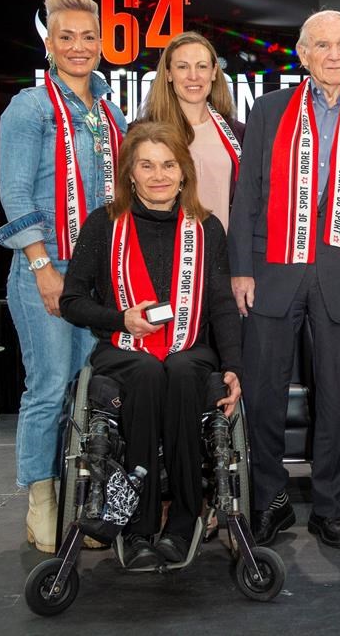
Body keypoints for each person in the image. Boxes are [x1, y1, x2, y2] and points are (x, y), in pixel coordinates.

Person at [227, 10, 340, 550]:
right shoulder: (269, 109)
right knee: (263, 395)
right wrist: (239, 267)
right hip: (272, 271)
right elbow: (246, 195)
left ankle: (330, 507)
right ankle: (271, 501)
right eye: (321, 45)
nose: (332, 54)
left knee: (337, 400)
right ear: (302, 54)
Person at [60, 121, 242, 569]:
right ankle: (138, 529)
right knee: (144, 372)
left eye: (168, 165)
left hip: (189, 349)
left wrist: (235, 367)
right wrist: (120, 318)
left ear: (184, 172)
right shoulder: (104, 224)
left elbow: (221, 306)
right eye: (146, 165)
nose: (158, 175)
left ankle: (182, 524)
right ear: (130, 173)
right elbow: (72, 301)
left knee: (181, 372)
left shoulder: (207, 228)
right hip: (123, 349)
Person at [0, 0, 127, 553]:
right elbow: (15, 192)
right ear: (48, 42)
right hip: (47, 269)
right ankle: (41, 502)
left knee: (86, 390)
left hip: (97, 275)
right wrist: (44, 268)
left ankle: (82, 501)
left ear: (102, 43)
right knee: (48, 389)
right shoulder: (29, 107)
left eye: (88, 36)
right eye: (65, 36)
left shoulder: (110, 112)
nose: (78, 46)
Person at [137, 31, 244, 230]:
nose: (193, 76)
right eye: (183, 67)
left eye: (201, 67)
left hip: (224, 253)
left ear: (213, 72)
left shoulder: (239, 134)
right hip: (166, 253)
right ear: (168, 73)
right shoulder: (142, 134)